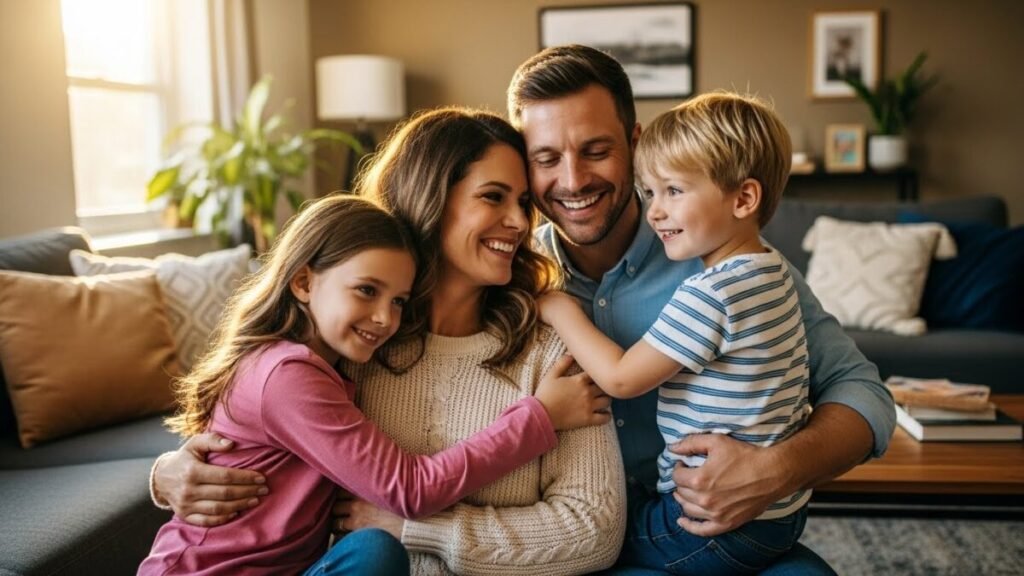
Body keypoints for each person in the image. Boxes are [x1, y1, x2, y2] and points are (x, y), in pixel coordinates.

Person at [150, 108, 627, 575]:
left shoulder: (550, 352)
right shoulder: (353, 346)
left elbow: (594, 531)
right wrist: (165, 473)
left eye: (523, 203)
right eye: (493, 197)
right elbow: (239, 442)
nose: (521, 223)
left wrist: (414, 530)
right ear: (430, 198)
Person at [506, 44, 893, 573]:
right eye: (546, 159)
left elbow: (864, 393)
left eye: (595, 150)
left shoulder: (729, 262)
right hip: (575, 530)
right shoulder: (512, 278)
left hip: (707, 527)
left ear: (635, 144)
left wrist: (775, 470)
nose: (573, 181)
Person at [538, 91, 811, 573]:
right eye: (649, 193)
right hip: (780, 514)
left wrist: (557, 308)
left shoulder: (712, 293)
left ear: (744, 198)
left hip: (712, 520)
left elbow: (622, 379)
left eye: (674, 192)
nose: (654, 212)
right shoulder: (771, 271)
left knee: (594, 537)